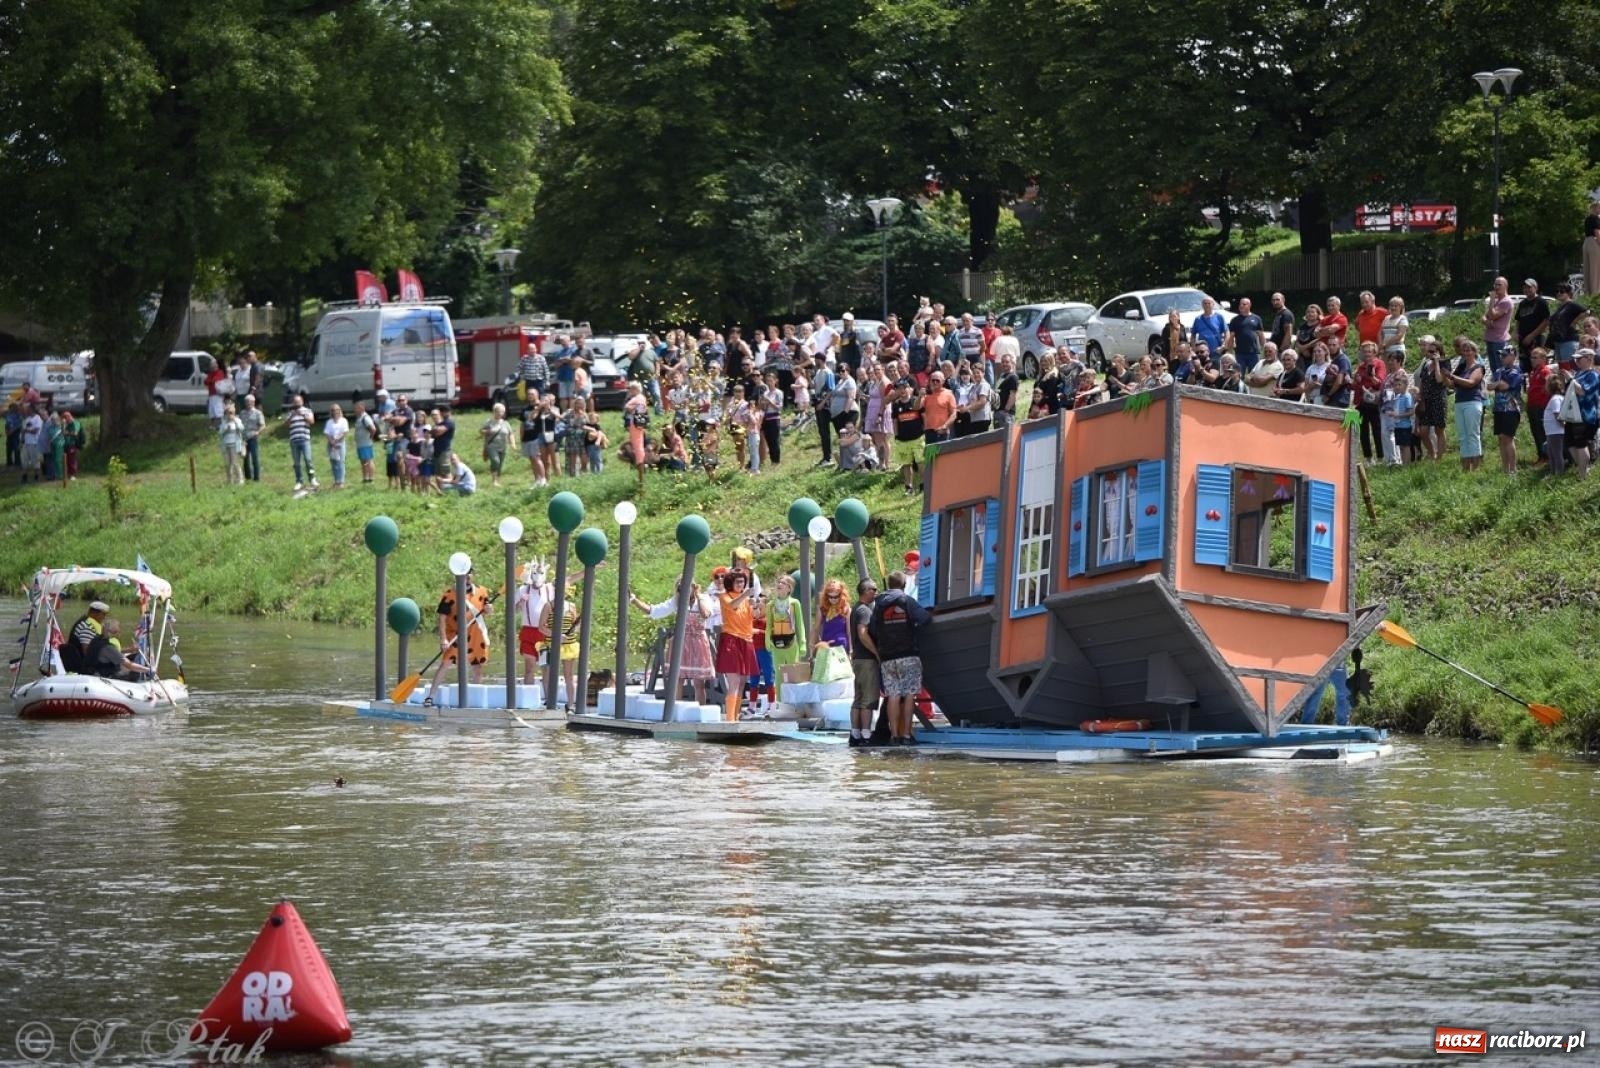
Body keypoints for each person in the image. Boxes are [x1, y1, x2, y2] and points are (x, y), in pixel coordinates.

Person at [867, 570, 934, 746]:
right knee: (910, 694)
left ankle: (894, 735)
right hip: (908, 654)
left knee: (893, 694)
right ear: (904, 585)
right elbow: (925, 618)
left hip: (887, 657)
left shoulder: (878, 605)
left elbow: (872, 630)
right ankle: (906, 735)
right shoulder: (907, 601)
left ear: (889, 585)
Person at [630, 579, 715, 706]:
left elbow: (706, 614)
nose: (684, 591)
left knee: (699, 682)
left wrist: (698, 596)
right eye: (680, 588)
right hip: (682, 641)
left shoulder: (704, 598)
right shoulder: (677, 601)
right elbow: (654, 611)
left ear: (694, 587)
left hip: (698, 641)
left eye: (686, 587)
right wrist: (634, 600)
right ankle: (676, 709)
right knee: (678, 678)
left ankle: (699, 711)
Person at [423, 569, 492, 706]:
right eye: (464, 574)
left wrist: (489, 609)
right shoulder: (449, 595)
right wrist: (443, 639)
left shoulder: (481, 592)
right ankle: (431, 696)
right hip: (455, 635)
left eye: (469, 573)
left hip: (475, 635)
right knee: (446, 663)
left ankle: (474, 699)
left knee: (477, 666)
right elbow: (442, 619)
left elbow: (486, 611)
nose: (467, 576)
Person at [715, 571, 758, 721]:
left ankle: (736, 716)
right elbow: (733, 605)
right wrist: (746, 595)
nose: (740, 585)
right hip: (731, 640)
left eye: (742, 582)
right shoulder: (724, 596)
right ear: (730, 584)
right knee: (733, 681)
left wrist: (755, 606)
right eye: (737, 582)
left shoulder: (745, 600)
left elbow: (750, 619)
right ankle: (730, 719)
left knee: (741, 683)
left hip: (746, 641)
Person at [845, 578, 881, 745]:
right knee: (868, 699)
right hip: (867, 660)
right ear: (865, 591)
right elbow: (862, 633)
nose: (876, 591)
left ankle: (855, 734)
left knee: (858, 698)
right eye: (873, 589)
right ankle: (866, 735)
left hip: (858, 659)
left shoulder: (855, 609)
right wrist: (876, 652)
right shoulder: (865, 611)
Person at [764, 574, 806, 703]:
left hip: (792, 642)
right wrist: (767, 640)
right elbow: (769, 625)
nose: (779, 584)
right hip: (777, 643)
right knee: (778, 674)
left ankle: (795, 702)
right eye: (778, 582)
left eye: (783, 582)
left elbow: (800, 624)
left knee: (793, 673)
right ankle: (780, 702)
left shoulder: (794, 603)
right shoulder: (771, 605)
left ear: (789, 588)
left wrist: (802, 643)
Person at [1447, 338, 1486, 472]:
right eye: (1464, 350)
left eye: (1469, 350)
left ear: (1475, 352)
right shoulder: (1462, 367)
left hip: (1473, 402)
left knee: (1473, 434)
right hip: (1460, 402)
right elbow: (1452, 385)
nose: (1466, 353)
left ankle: (1475, 467)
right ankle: (1465, 466)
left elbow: (1471, 382)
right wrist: (1444, 375)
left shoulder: (1479, 367)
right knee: (1463, 435)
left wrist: (1452, 377)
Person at [541, 581, 582, 712]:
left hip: (569, 644)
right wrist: (556, 635)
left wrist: (576, 628)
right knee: (548, 673)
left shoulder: (571, 606)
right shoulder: (549, 606)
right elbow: (541, 627)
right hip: (551, 644)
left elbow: (576, 625)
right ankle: (549, 700)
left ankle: (570, 704)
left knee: (569, 675)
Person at [515, 562, 553, 685]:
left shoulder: (549, 589)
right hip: (528, 632)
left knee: (546, 668)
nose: (538, 576)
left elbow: (568, 580)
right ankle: (528, 697)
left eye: (541, 573)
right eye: (535, 573)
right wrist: (521, 602)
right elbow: (513, 610)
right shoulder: (522, 590)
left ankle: (548, 699)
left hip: (544, 632)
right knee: (529, 668)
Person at [1487, 346, 1523, 475]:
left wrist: (1497, 384)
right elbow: (1490, 386)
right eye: (1501, 355)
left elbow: (1506, 386)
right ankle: (1505, 469)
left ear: (1513, 356)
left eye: (1505, 355)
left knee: (1508, 437)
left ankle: (1513, 470)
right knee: (1501, 438)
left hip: (1511, 408)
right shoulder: (1498, 370)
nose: (1502, 357)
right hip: (1499, 408)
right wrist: (1497, 384)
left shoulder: (1516, 371)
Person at [84, 620, 155, 680]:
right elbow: (129, 665)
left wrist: (129, 650)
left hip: (92, 670)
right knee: (136, 672)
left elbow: (113, 654)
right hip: (101, 675)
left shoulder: (96, 639)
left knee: (127, 664)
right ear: (114, 632)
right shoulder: (108, 647)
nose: (120, 631)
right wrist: (148, 670)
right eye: (118, 629)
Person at [1353, 342, 1387, 463]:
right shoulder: (1361, 366)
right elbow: (1355, 385)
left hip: (1374, 401)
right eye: (1364, 351)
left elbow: (1380, 383)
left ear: (1374, 352)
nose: (1367, 354)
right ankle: (1368, 458)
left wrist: (1372, 376)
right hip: (1361, 402)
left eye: (1369, 351)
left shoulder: (1379, 364)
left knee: (1377, 429)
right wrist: (1356, 380)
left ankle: (1380, 457)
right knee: (1363, 431)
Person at [1416, 336, 1449, 460]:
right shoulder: (1425, 364)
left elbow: (1439, 380)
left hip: (1438, 399)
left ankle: (1439, 457)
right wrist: (1420, 394)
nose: (1430, 354)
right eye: (1429, 351)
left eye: (1433, 351)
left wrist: (1437, 363)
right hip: (1426, 400)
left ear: (1439, 352)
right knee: (1423, 430)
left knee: (1439, 429)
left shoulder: (1444, 363)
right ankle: (1431, 452)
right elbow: (1423, 381)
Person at [61, 600, 109, 673]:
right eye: (103, 614)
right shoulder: (87, 626)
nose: (105, 617)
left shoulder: (85, 622)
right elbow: (86, 651)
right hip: (83, 666)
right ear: (94, 613)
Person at [1515, 279, 1550, 372]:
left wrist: (1532, 336)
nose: (1526, 289)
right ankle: (1529, 386)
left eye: (1529, 287)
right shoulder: (1522, 303)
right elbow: (1518, 320)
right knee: (1524, 367)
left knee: (1538, 367)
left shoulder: (1541, 302)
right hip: (1523, 341)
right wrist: (1516, 333)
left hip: (1536, 339)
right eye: (1524, 287)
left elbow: (1546, 321)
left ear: (1535, 288)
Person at [1547, 283, 1587, 367]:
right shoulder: (1561, 306)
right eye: (1557, 291)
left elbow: (1587, 312)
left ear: (1569, 293)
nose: (1559, 293)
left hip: (1568, 340)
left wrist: (1574, 322)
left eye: (1562, 291)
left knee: (1569, 367)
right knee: (1561, 368)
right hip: (1558, 341)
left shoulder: (1572, 304)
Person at [284, 393, 318, 491]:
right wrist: (292, 416)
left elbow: (312, 421)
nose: (297, 404)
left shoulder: (308, 411)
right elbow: (286, 425)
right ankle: (299, 481)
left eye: (298, 402)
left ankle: (312, 478)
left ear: (302, 402)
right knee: (297, 462)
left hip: (305, 439)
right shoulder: (290, 413)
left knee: (308, 460)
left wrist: (302, 415)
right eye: (295, 402)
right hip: (294, 440)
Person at [1224, 296, 1264, 373]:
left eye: (1244, 304)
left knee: (1253, 375)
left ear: (1249, 305)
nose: (1241, 306)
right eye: (1240, 304)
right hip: (1240, 353)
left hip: (1254, 353)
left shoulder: (1256, 318)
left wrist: (1264, 348)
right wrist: (1229, 351)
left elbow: (1261, 335)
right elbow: (1231, 337)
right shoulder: (1234, 320)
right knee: (1238, 374)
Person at [918, 371, 958, 444]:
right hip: (929, 431)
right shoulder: (926, 394)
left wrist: (945, 426)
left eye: (937, 380)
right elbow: (917, 407)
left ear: (943, 381)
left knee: (943, 455)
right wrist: (919, 397)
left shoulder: (948, 394)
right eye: (933, 380)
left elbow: (954, 414)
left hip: (942, 431)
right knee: (931, 455)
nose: (935, 382)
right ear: (930, 381)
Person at [1483, 276, 1514, 366]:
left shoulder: (1506, 301)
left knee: (1500, 368)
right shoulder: (1496, 301)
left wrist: (1492, 300)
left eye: (1499, 285)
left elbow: (1492, 316)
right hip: (1490, 339)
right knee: (1493, 368)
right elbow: (1484, 316)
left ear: (1506, 286)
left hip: (1499, 340)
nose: (1496, 287)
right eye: (1495, 285)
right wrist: (1486, 322)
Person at [1543, 368, 1568, 476]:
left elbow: (1558, 415)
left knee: (1556, 454)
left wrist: (1564, 425)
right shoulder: (1555, 398)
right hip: (1551, 431)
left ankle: (1558, 474)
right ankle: (1553, 472)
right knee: (1551, 453)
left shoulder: (1556, 399)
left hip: (1555, 431)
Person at [816, 578, 852, 652]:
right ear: (826, 596)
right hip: (826, 645)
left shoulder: (846, 608)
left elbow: (849, 632)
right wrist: (815, 645)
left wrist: (851, 649)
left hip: (841, 645)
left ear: (841, 595)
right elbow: (816, 628)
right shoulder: (822, 609)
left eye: (836, 597)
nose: (833, 599)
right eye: (830, 597)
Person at [218, 401, 245, 484]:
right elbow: (220, 432)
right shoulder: (224, 422)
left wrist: (235, 422)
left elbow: (242, 429)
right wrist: (226, 429)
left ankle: (240, 479)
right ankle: (230, 480)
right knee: (227, 464)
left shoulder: (237, 420)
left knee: (235, 463)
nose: (229, 414)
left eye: (231, 413)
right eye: (227, 413)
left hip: (235, 445)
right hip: (226, 445)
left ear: (234, 412)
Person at [323, 403, 349, 488]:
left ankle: (341, 481)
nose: (335, 412)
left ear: (340, 410)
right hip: (331, 444)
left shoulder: (343, 420)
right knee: (334, 462)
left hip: (340, 444)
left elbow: (345, 432)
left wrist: (337, 440)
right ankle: (336, 480)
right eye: (333, 410)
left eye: (337, 410)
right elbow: (327, 432)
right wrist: (332, 441)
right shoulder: (329, 422)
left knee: (341, 462)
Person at [1583, 199, 1600, 298]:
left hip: (1586, 243)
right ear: (1595, 207)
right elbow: (1597, 233)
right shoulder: (1595, 218)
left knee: (1588, 271)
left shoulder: (1587, 219)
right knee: (1596, 271)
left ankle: (1588, 295)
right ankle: (1595, 295)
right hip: (1594, 243)